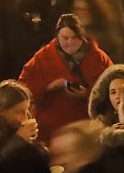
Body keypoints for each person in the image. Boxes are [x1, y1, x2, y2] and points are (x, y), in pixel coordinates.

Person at [18, 13, 112, 143]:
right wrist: (48, 87)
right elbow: (23, 87)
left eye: (74, 38)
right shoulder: (42, 58)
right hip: (52, 130)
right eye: (65, 38)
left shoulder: (99, 58)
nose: (69, 42)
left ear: (82, 36)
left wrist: (88, 94)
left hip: (88, 128)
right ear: (57, 37)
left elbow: (112, 86)